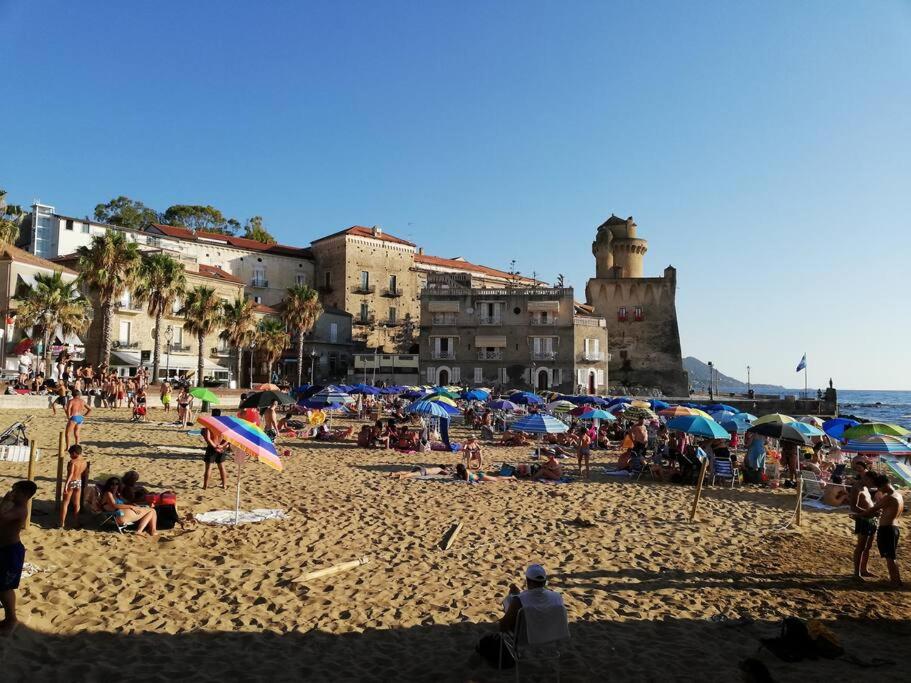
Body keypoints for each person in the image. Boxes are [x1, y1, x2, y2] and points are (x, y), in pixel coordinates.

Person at [0, 480, 38, 634]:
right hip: (3, 549)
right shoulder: (13, 506)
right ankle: (8, 619)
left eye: (15, 490)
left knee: (5, 588)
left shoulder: (20, 510)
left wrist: (5, 501)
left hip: (10, 550)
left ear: (24, 494)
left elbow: (1, 517)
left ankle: (11, 619)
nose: (12, 492)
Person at [862, 472, 904, 587]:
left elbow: (873, 509)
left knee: (890, 557)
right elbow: (886, 510)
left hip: (887, 529)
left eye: (879, 487)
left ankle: (895, 581)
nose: (879, 490)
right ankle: (896, 580)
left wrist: (858, 515)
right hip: (894, 527)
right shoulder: (898, 495)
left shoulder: (889, 497)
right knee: (891, 556)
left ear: (884, 485)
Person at [499, 564, 565, 634]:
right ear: (545, 582)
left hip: (527, 639)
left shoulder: (519, 600)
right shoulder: (557, 597)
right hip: (551, 637)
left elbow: (504, 625)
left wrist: (514, 599)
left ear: (528, 581)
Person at [848, 458, 877, 581]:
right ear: (866, 479)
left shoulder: (865, 487)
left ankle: (864, 569)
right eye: (872, 482)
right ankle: (857, 573)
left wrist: (874, 510)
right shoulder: (857, 487)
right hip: (863, 518)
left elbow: (868, 502)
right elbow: (853, 507)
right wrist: (869, 512)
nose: (873, 485)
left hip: (871, 518)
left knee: (868, 546)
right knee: (861, 546)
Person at [59, 445, 88, 529]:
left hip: (71, 481)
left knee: (65, 503)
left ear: (74, 453)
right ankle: (76, 522)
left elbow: (71, 474)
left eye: (71, 454)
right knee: (77, 504)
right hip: (78, 482)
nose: (70, 456)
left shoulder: (73, 462)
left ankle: (62, 523)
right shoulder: (84, 462)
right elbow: (84, 473)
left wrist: (66, 485)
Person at [202, 423, 229, 490]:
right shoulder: (223, 427)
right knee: (222, 467)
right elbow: (227, 439)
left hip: (212, 448)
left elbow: (208, 438)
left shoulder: (210, 426)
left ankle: (205, 486)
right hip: (221, 448)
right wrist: (221, 446)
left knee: (208, 468)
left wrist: (215, 447)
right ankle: (224, 485)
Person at [387, 465, 452, 479]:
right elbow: (447, 473)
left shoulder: (437, 468)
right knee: (412, 474)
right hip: (424, 471)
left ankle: (394, 473)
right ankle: (402, 476)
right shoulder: (440, 469)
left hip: (422, 468)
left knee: (408, 472)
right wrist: (450, 471)